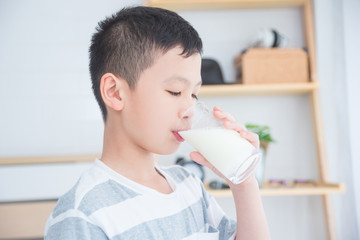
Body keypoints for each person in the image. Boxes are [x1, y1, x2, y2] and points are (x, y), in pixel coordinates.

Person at [44, 6, 270, 240]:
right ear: (115, 92)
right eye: (175, 91)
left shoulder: (189, 186)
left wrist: (244, 184)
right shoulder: (83, 214)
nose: (189, 111)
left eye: (194, 94)